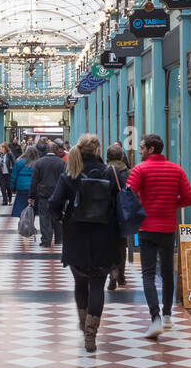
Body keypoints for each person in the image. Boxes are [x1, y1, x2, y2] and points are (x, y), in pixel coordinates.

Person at [48, 134, 121, 351]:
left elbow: (53, 203)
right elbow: (119, 203)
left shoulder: (71, 173)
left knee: (80, 283)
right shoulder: (110, 173)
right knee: (98, 284)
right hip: (104, 235)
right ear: (97, 150)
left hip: (76, 234)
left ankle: (83, 324)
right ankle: (91, 334)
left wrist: (61, 218)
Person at [127, 134, 191, 339]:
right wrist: (171, 204)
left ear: (150, 149)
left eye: (141, 148)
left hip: (147, 228)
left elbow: (128, 194)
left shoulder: (140, 170)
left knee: (148, 274)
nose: (139, 151)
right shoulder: (176, 170)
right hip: (167, 228)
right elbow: (189, 198)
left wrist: (140, 207)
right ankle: (167, 316)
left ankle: (155, 318)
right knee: (166, 272)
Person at [105, 144, 132, 290]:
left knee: (109, 245)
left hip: (108, 214)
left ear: (107, 157)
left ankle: (112, 274)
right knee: (122, 246)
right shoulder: (129, 172)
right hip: (124, 213)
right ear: (121, 156)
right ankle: (121, 276)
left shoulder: (104, 171)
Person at [31, 139, 67, 248]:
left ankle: (46, 241)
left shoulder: (39, 162)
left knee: (44, 217)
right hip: (58, 194)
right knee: (58, 216)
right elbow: (65, 179)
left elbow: (34, 181)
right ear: (56, 150)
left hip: (44, 194)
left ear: (47, 150)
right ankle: (59, 239)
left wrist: (31, 196)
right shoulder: (62, 163)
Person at [10, 145, 38, 220]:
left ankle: (23, 224)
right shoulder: (38, 163)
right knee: (32, 209)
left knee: (21, 208)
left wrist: (12, 187)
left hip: (22, 188)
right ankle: (30, 224)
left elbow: (14, 176)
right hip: (34, 189)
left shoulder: (19, 162)